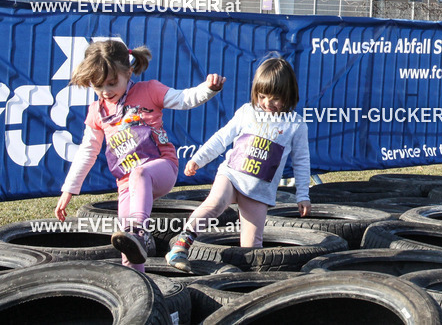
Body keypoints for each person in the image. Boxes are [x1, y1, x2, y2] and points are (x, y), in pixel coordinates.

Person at [54, 40, 225, 271]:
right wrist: (68, 190)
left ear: (129, 72)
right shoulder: (97, 111)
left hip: (161, 168)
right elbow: (88, 151)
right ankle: (140, 287)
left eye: (112, 83)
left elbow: (184, 99)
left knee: (140, 173)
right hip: (127, 184)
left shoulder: (148, 90)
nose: (106, 91)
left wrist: (208, 89)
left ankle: (140, 232)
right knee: (128, 248)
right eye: (98, 86)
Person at [165, 55, 310, 271]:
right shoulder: (247, 112)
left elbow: (301, 161)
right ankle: (181, 245)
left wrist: (303, 195)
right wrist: (198, 159)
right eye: (262, 96)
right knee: (214, 204)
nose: (267, 103)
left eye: (275, 98)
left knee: (251, 245)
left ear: (288, 95)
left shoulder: (296, 125)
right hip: (231, 176)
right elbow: (221, 138)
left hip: (259, 191)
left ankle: (243, 281)